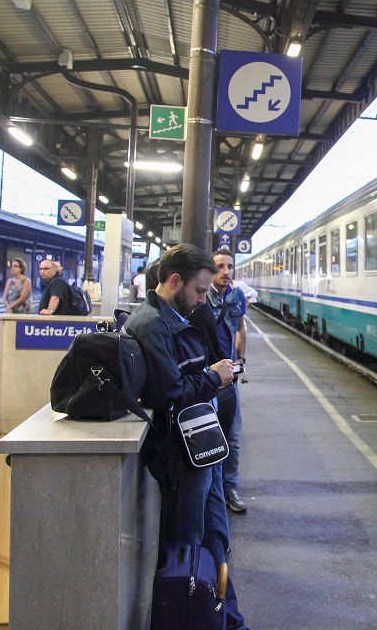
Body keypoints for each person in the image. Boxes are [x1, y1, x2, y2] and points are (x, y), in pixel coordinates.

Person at [122, 244, 247, 630]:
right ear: (174, 281)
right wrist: (214, 376)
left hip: (202, 447)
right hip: (183, 456)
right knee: (190, 545)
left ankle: (226, 618)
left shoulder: (172, 317)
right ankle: (196, 616)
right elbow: (170, 392)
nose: (201, 299)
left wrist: (207, 376)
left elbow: (180, 380)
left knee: (214, 539)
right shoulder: (151, 325)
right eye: (198, 290)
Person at [206, 250, 249, 513]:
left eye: (230, 266)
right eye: (220, 266)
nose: (226, 271)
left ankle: (229, 488)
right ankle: (210, 488)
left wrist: (242, 356)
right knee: (208, 434)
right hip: (206, 376)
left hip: (230, 377)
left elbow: (240, 327)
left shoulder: (237, 296)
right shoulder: (202, 296)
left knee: (232, 436)